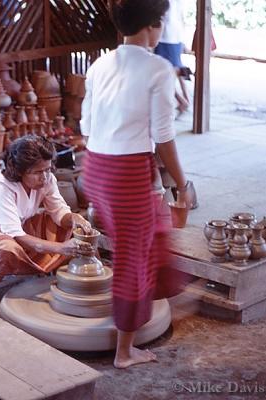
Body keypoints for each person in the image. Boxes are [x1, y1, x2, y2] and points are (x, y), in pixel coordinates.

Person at [80, 0, 191, 369]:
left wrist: (159, 184)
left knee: (152, 236)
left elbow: (85, 127)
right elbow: (162, 137)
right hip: (127, 174)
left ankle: (152, 303)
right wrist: (183, 183)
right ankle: (124, 352)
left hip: (97, 169)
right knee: (134, 258)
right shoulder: (159, 67)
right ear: (153, 25)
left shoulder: (98, 65)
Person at [0, 135, 92, 310]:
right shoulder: (1, 187)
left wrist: (75, 218)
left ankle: (75, 281)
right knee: (7, 249)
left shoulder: (47, 179)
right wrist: (60, 248)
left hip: (18, 225)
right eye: (38, 172)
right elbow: (14, 234)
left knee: (71, 229)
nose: (45, 177)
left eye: (48, 169)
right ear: (20, 171)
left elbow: (59, 213)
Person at [154, 0, 190, 115]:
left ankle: (182, 100)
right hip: (176, 34)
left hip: (165, 35)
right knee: (176, 68)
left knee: (162, 73)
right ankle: (185, 98)